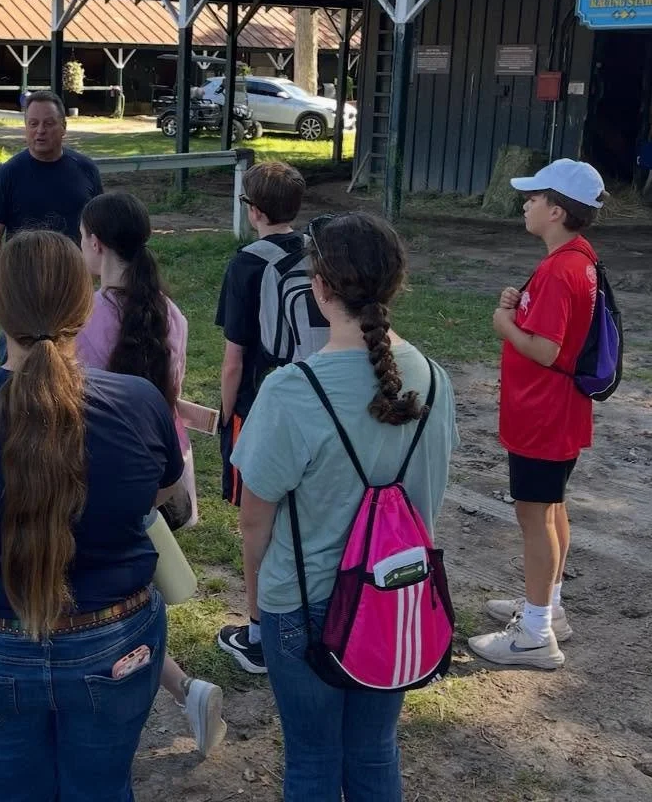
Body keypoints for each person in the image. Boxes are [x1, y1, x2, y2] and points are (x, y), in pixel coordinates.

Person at [0, 230, 183, 801]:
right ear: (84, 308)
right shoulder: (138, 402)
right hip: (114, 638)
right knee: (103, 788)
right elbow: (163, 496)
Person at [232, 212, 459, 800]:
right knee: (375, 749)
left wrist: (255, 603)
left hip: (302, 606)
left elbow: (254, 517)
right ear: (396, 284)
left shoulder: (290, 390)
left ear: (320, 289)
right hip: (397, 596)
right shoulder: (434, 380)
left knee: (311, 759)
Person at [76, 191, 225, 757]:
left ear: (95, 243)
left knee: (114, 597)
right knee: (138, 589)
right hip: (168, 472)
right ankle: (181, 688)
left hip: (104, 481)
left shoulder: (82, 322)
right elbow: (171, 396)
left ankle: (165, 690)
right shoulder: (173, 313)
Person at [470, 159, 607, 671]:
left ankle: (534, 634)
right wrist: (521, 302)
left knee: (533, 514)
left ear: (556, 210)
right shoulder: (579, 257)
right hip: (561, 411)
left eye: (533, 197)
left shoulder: (558, 269)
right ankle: (549, 607)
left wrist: (505, 320)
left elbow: (547, 350)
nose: (525, 203)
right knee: (551, 509)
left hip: (542, 412)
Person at [214, 159, 307, 674]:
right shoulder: (318, 253)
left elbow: (234, 360)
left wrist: (227, 418)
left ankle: (256, 631)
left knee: (256, 526)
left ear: (253, 210)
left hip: (260, 405)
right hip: (315, 401)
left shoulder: (247, 264)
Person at [0, 89, 102, 266]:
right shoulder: (8, 174)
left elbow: (101, 230)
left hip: (76, 278)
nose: (40, 131)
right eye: (33, 124)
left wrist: (91, 277)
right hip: (25, 281)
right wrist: (5, 283)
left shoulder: (86, 169)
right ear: (26, 128)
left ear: (64, 127)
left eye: (49, 123)